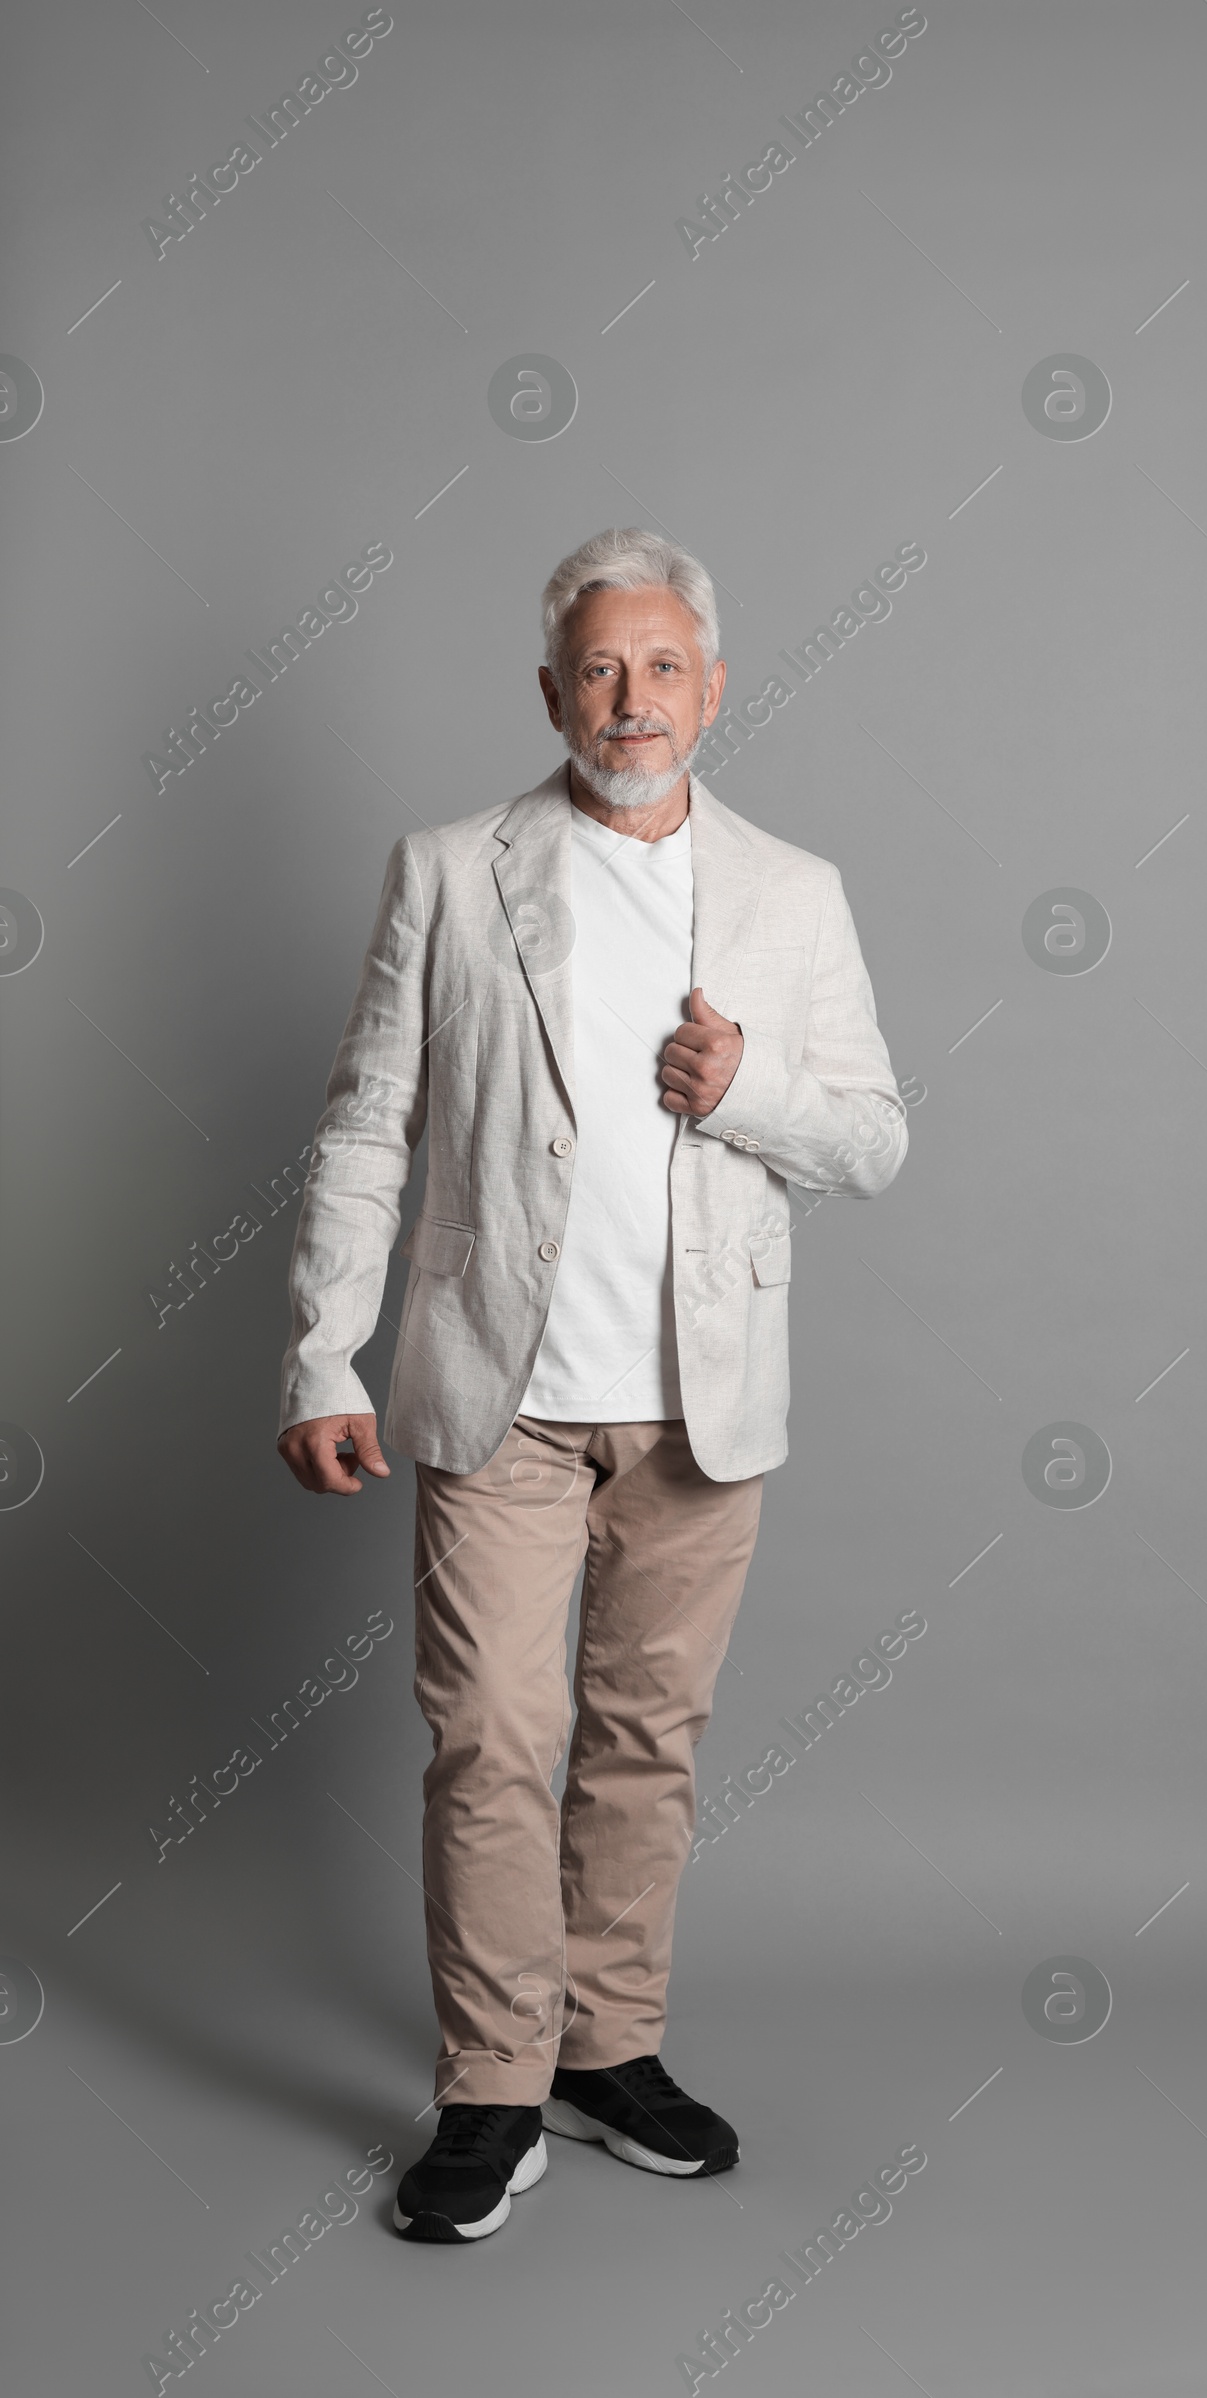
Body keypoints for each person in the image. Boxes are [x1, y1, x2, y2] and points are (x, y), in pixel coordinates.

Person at [275, 527, 908, 2242]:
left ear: (716, 684)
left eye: (665, 667)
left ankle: (608, 2049)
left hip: (706, 1403)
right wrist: (322, 1350)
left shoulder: (796, 890)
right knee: (490, 1738)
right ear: (553, 691)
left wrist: (747, 1086)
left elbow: (873, 1138)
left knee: (646, 1742)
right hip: (503, 1391)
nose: (633, 701)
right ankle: (492, 2087)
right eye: (601, 670)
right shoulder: (453, 870)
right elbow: (363, 1125)